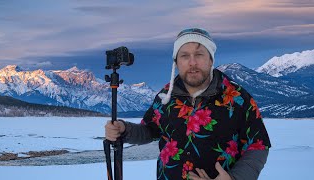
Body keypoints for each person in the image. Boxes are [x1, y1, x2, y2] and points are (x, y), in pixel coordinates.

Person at [105, 28, 271, 180]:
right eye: (184, 55)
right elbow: (149, 130)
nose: (192, 62)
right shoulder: (166, 96)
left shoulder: (237, 97)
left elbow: (258, 146)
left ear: (211, 59)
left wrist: (235, 178)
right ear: (176, 62)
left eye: (199, 54)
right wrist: (124, 129)